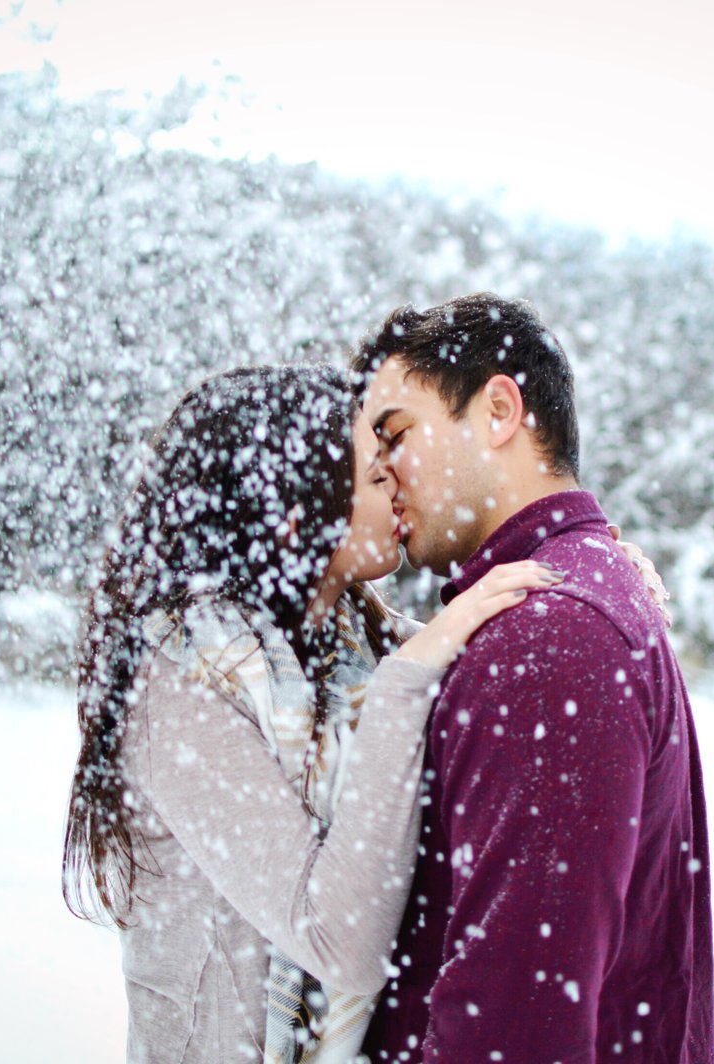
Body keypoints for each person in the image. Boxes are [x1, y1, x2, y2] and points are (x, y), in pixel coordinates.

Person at [61, 363, 561, 1063]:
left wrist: (588, 573)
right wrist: (412, 673)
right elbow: (341, 942)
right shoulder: (178, 683)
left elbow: (488, 670)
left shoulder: (351, 641)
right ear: (297, 514)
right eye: (376, 475)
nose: (399, 483)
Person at [354, 294, 714, 1063]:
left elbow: (512, 1030)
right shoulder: (569, 598)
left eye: (396, 434)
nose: (380, 471)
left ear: (497, 410)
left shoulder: (551, 638)